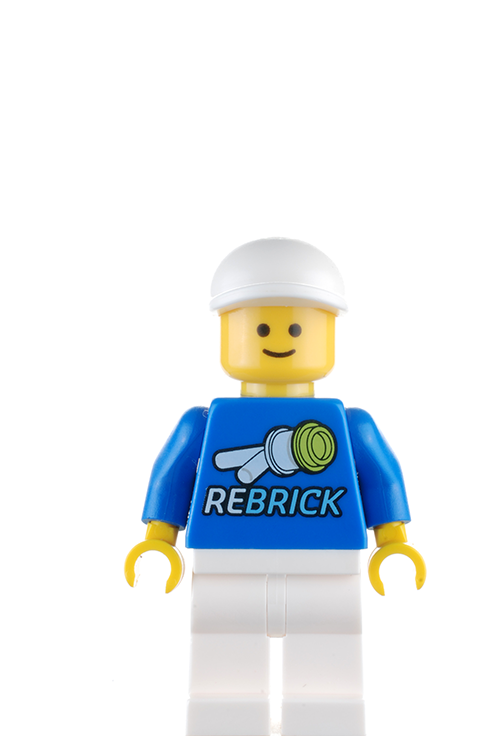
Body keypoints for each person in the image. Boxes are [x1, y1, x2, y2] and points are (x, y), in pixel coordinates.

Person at [125, 237, 425, 736]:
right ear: (230, 328)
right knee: (223, 664)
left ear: (327, 330)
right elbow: (171, 473)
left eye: (297, 327)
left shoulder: (349, 424)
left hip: (328, 566)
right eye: (260, 327)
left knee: (329, 666)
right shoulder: (205, 422)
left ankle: (327, 723)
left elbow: (381, 476)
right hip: (224, 565)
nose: (280, 338)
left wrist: (393, 543)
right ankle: (224, 723)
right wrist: (159, 540)